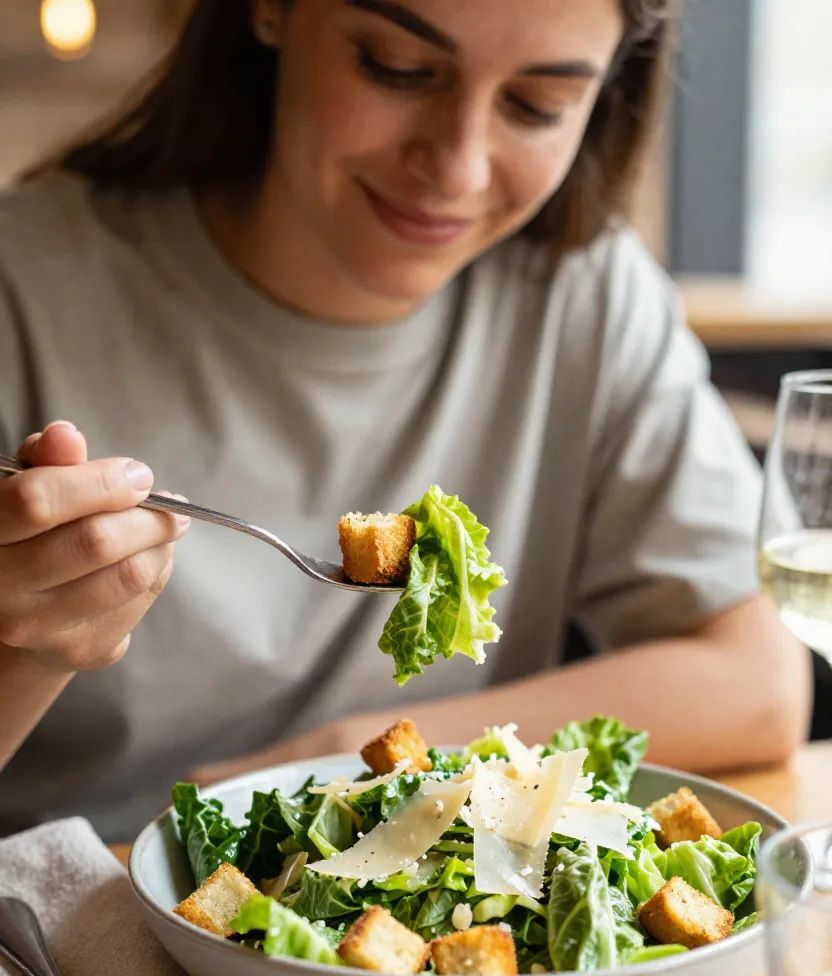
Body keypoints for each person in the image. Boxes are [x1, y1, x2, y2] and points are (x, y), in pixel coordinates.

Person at [0, 0, 809, 843]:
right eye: (397, 68)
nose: (457, 168)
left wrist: (343, 756)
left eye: (537, 106)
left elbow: (760, 681)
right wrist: (22, 649)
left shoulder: (587, 299)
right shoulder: (22, 286)